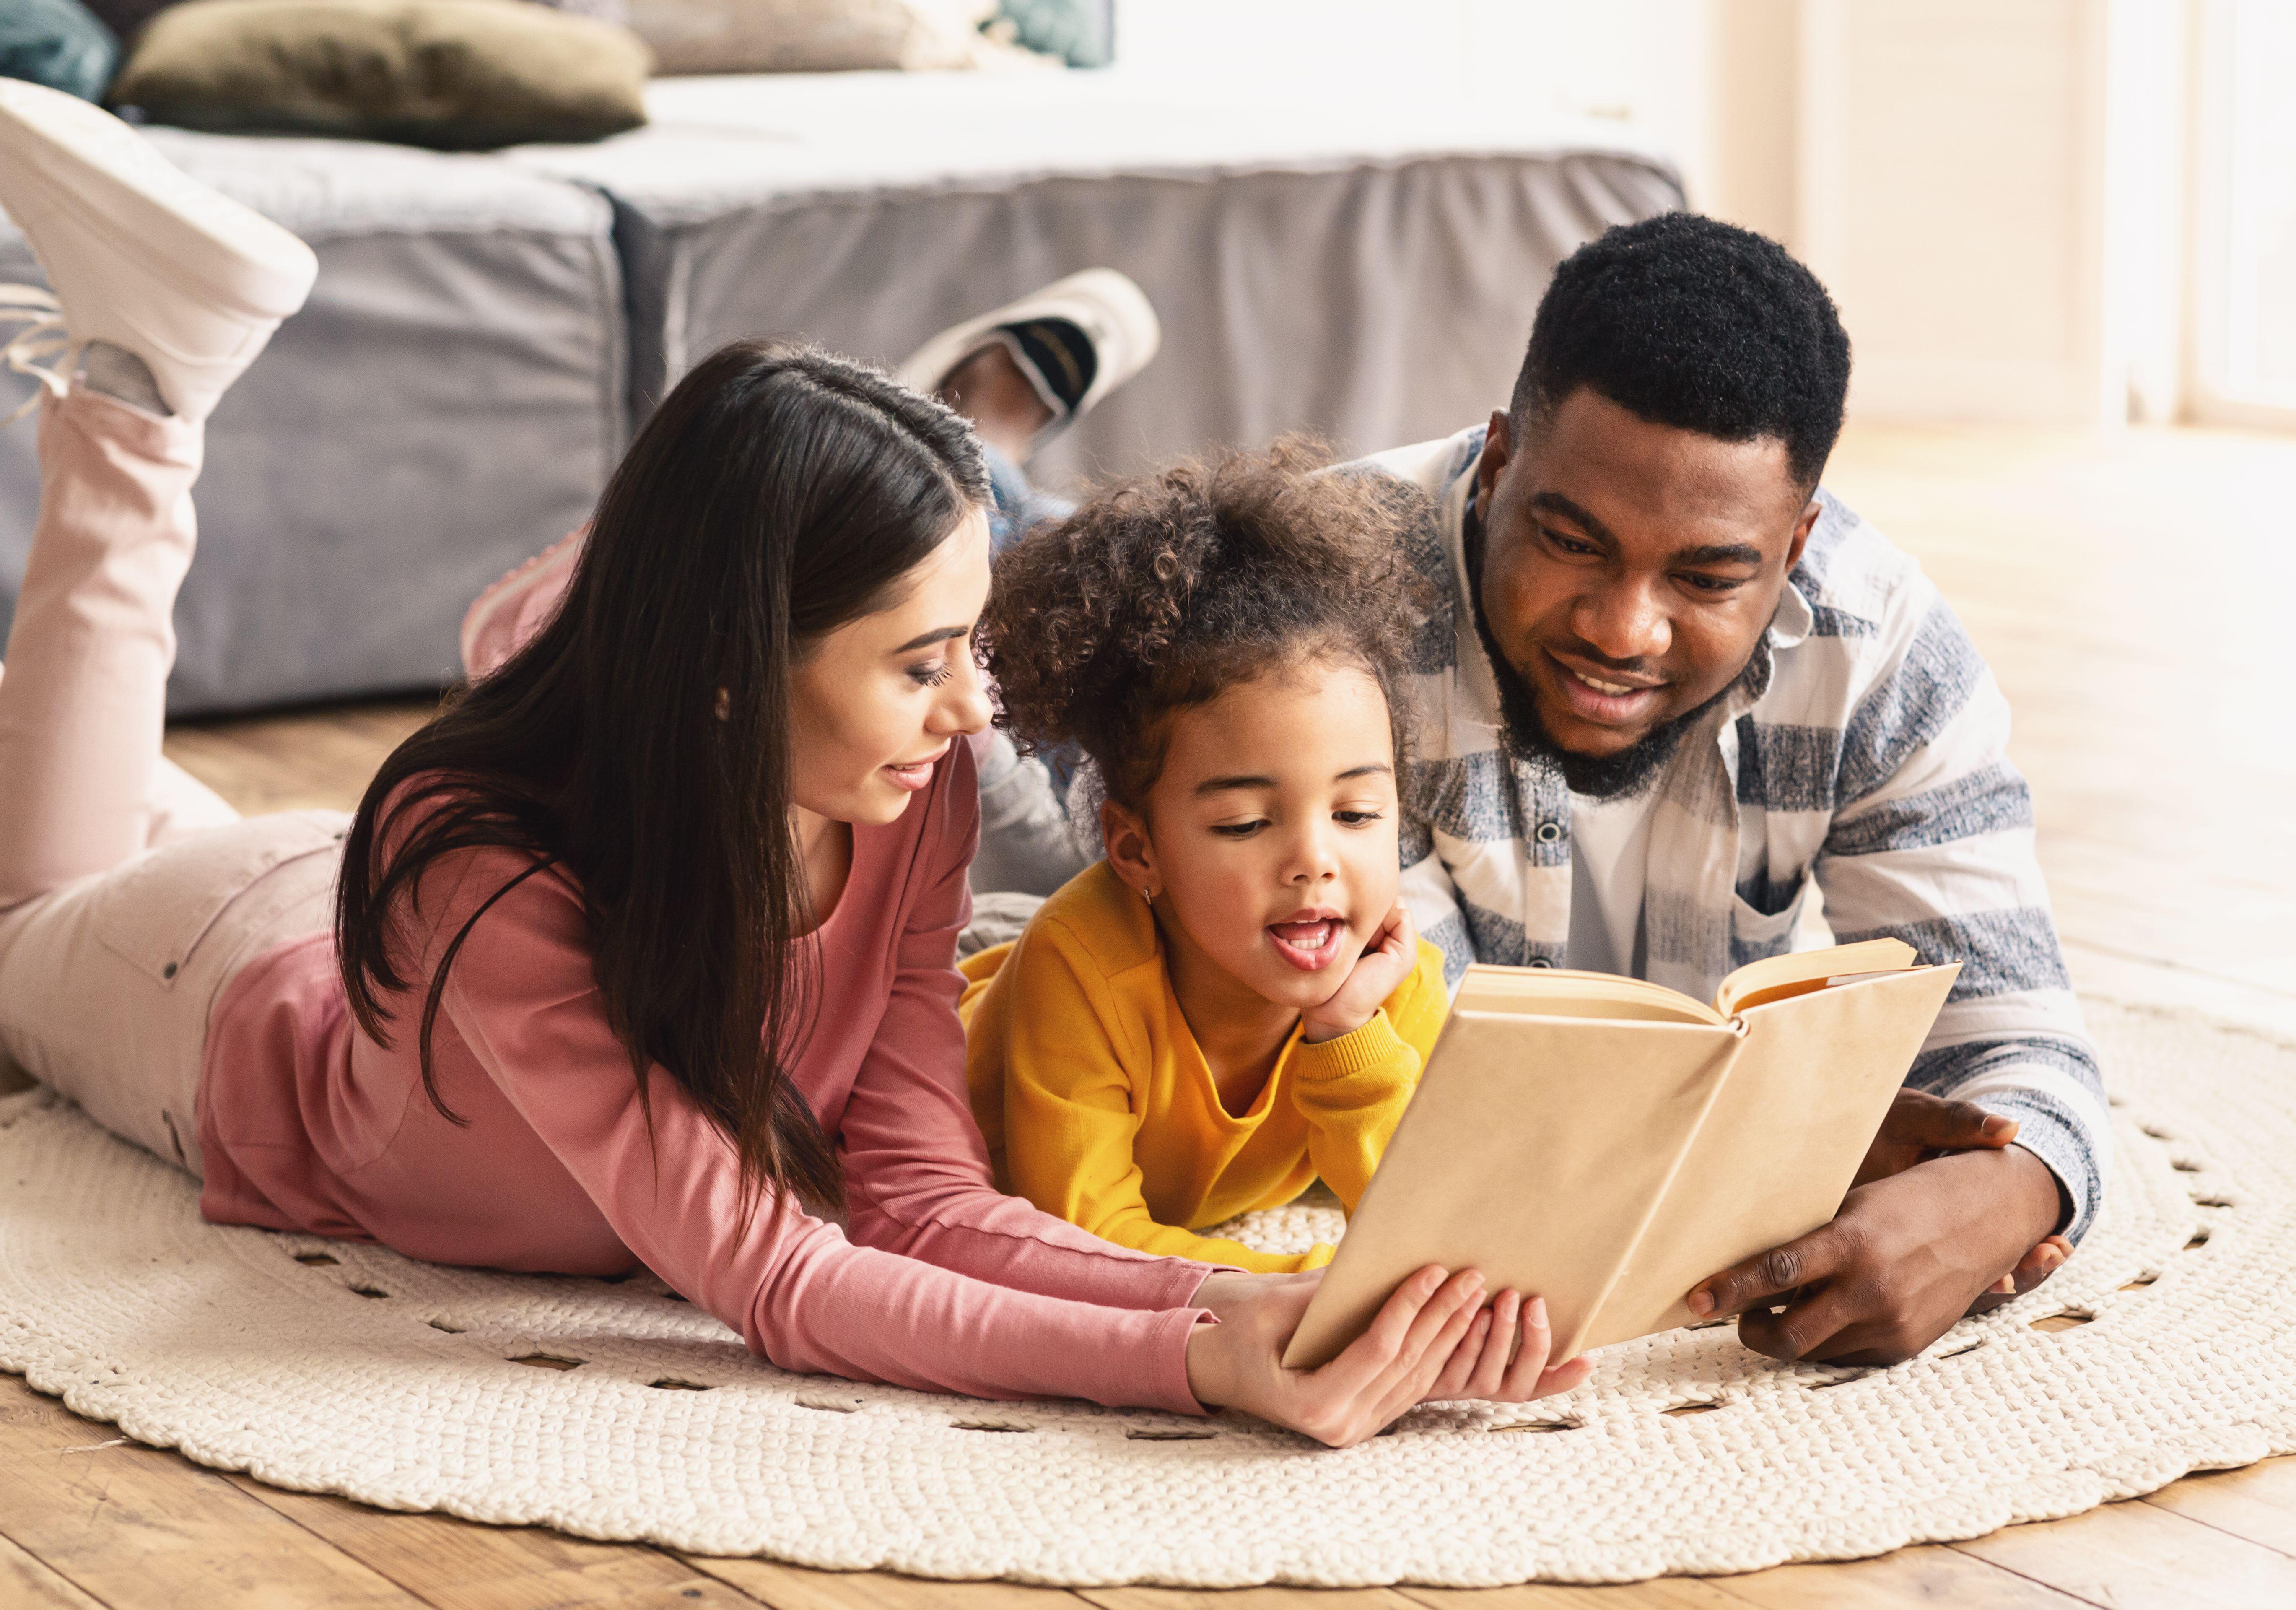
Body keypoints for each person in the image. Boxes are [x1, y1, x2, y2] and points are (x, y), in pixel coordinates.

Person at [0, 79, 1570, 1448]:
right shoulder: (489, 879)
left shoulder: (903, 780)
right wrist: (1190, 1361)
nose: (972, 714)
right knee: (34, 908)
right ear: (739, 677)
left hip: (460, 835)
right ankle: (140, 402)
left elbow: (913, 1201)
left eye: (966, 647)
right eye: (915, 661)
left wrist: (1268, 1299)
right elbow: (780, 1276)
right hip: (216, 978)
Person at [973, 215, 2107, 1370]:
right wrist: (1794, 1143)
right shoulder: (1326, 637)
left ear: (1799, 541)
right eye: (1573, 542)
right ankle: (979, 454)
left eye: (1708, 576)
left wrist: (2012, 1192)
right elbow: (1452, 1108)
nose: (1624, 629)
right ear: (1500, 459)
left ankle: (996, 441)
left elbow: (2020, 1037)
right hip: (1121, 758)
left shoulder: (1885, 654)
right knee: (977, 615)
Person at [956, 448, 1464, 1278]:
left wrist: (1346, 1037)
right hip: (943, 1015)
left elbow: (1438, 1229)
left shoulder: (1390, 984)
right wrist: (1309, 1287)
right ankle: (986, 450)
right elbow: (1084, 1241)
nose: (1314, 862)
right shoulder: (1081, 971)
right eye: (1245, 823)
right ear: (1136, 847)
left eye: (1357, 813)